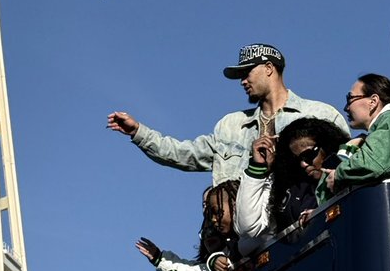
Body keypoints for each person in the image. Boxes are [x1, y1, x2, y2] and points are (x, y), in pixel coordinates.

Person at [108, 43, 349, 185]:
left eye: (246, 72)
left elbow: (347, 168)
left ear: (268, 69)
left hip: (305, 228)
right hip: (247, 247)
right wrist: (139, 132)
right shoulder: (231, 126)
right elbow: (185, 154)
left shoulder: (320, 114)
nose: (242, 81)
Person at [234, 118, 347, 252]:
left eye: (308, 155)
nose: (303, 164)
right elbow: (248, 228)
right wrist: (258, 167)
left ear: (327, 146)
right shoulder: (293, 188)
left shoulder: (350, 170)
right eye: (296, 160)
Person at [320, 74, 390, 200]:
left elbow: (373, 163)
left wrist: (339, 173)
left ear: (373, 101)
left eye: (350, 99)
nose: (346, 108)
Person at [136, 180, 240, 271]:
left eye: (213, 205)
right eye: (204, 204)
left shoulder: (244, 233)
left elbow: (209, 270)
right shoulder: (208, 249)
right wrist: (159, 259)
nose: (209, 212)